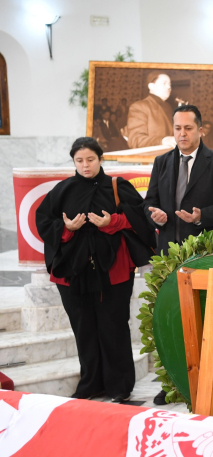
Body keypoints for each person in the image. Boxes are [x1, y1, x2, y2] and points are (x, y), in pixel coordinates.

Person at [35, 137, 155, 402]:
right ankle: (91, 384)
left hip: (113, 269)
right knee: (84, 329)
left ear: (101, 159)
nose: (85, 165)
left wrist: (112, 221)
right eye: (79, 161)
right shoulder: (62, 190)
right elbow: (43, 221)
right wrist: (67, 228)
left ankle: (120, 386)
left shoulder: (117, 186)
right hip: (74, 271)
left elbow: (140, 219)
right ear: (73, 162)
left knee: (114, 327)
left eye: (90, 159)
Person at [144, 104, 213, 405]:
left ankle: (206, 384)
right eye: (177, 128)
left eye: (188, 128)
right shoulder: (161, 162)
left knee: (204, 322)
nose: (182, 134)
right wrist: (154, 215)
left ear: (200, 129)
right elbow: (149, 201)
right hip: (168, 256)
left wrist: (201, 216)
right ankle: (172, 384)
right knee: (170, 322)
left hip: (203, 255)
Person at [126, 72, 175, 149]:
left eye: (170, 84)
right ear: (151, 86)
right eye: (164, 83)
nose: (169, 87)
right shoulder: (140, 106)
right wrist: (162, 141)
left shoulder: (168, 107)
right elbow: (135, 140)